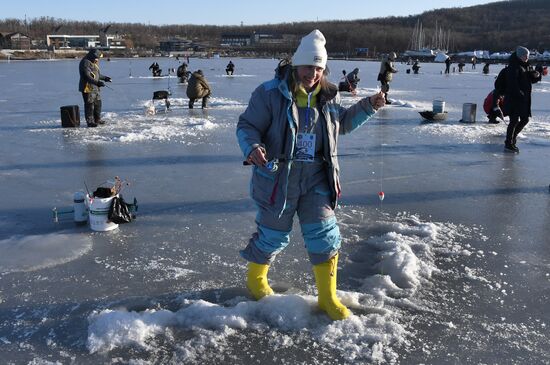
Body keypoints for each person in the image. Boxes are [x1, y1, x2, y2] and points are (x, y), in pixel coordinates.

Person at [236, 30, 386, 321]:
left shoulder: (329, 95)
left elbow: (340, 125)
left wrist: (369, 106)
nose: (313, 74)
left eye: (319, 69)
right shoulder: (269, 94)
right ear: (296, 65)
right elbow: (247, 126)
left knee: (324, 234)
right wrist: (253, 146)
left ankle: (328, 296)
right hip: (278, 178)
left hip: (318, 177)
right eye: (308, 67)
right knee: (272, 235)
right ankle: (256, 281)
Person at [503, 46, 541, 153]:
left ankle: (512, 138)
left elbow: (528, 81)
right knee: (514, 121)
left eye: (527, 56)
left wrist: (535, 76)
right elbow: (512, 83)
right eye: (525, 56)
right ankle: (508, 143)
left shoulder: (525, 66)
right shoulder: (514, 66)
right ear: (520, 56)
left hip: (523, 99)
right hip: (514, 99)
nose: (527, 58)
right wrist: (519, 93)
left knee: (525, 119)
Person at [78, 49, 111, 127]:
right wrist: (98, 83)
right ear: (93, 56)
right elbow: (87, 76)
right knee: (89, 104)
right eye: (97, 57)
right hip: (88, 88)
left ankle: (97, 119)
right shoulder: (85, 62)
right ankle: (90, 121)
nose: (98, 59)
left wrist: (105, 78)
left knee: (98, 103)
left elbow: (97, 75)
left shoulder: (94, 62)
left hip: (95, 87)